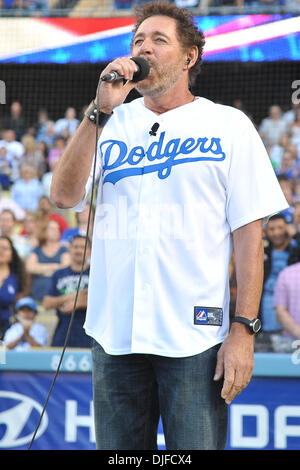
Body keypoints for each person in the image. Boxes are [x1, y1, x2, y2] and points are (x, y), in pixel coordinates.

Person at [50, 1, 288, 450]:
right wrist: (98, 113)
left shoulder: (228, 125)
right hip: (115, 334)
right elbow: (62, 197)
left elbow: (249, 236)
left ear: (189, 57)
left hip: (195, 340)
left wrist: (243, 330)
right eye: (138, 40)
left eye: (159, 40)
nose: (145, 49)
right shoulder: (110, 122)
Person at [258, 214, 299, 351]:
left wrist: (295, 235)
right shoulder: (262, 251)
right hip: (266, 309)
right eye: (272, 229)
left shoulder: (294, 251)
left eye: (280, 228)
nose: (276, 233)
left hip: (291, 311)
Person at [43, 235, 91, 348]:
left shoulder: (95, 273)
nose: (79, 250)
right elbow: (46, 303)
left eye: (83, 247)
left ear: (90, 251)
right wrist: (72, 296)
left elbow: (104, 302)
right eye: (75, 247)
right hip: (63, 334)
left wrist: (79, 304)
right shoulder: (59, 274)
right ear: (69, 249)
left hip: (89, 336)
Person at [26, 219, 70, 302]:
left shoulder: (63, 249)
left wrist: (41, 269)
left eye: (57, 229)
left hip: (58, 297)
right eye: (52, 229)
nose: (56, 231)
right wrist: (55, 266)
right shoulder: (37, 249)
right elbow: (30, 268)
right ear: (44, 231)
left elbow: (65, 267)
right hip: (39, 294)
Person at [0, 236, 26, 339]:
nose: (0, 251)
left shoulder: (17, 278)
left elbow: (19, 307)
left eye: (5, 248)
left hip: (8, 329)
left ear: (11, 254)